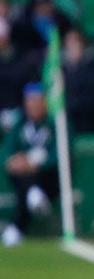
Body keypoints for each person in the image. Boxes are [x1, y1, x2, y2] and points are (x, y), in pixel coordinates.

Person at [2, 84, 60, 247]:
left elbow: (60, 154)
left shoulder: (56, 124)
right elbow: (7, 150)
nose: (34, 105)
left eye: (38, 101)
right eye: (30, 101)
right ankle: (33, 194)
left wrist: (36, 165)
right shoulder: (19, 124)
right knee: (25, 181)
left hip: (48, 178)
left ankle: (17, 227)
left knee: (31, 180)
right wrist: (14, 161)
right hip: (22, 176)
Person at [60, 28, 94, 134]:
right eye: (70, 43)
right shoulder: (60, 70)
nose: (74, 46)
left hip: (87, 116)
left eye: (77, 42)